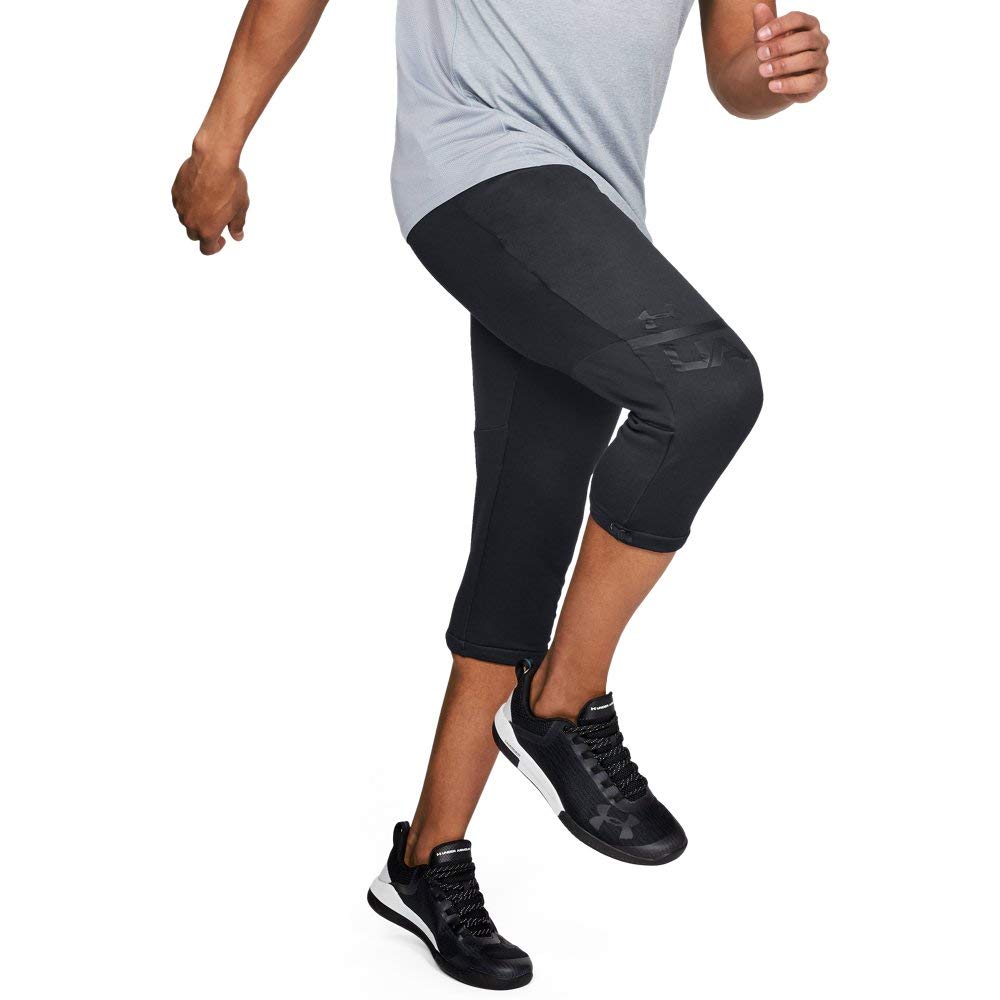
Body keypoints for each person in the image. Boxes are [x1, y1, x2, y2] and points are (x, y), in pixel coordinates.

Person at [172, 0, 829, 989]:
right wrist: (218, 143)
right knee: (705, 390)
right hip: (476, 161)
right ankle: (560, 703)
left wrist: (775, 75)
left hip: (593, 209)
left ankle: (424, 862)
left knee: (529, 517)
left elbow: (736, 65)